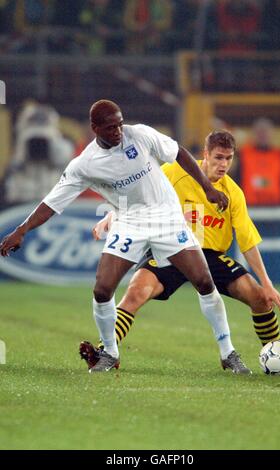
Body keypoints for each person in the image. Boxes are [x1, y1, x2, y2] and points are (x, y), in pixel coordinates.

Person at [0, 100, 249, 375]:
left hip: (166, 216)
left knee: (203, 281)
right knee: (102, 289)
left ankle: (228, 353)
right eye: (111, 127)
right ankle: (110, 352)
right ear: (95, 129)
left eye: (120, 123)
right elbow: (52, 203)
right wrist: (21, 230)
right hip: (129, 222)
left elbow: (178, 152)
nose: (119, 130)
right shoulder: (85, 164)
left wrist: (207, 189)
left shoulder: (139, 134)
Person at [81, 130, 280, 371]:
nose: (224, 164)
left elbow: (247, 241)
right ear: (206, 155)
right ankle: (105, 352)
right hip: (173, 249)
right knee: (136, 293)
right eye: (219, 157)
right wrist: (111, 214)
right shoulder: (176, 172)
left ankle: (277, 356)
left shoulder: (233, 193)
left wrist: (267, 283)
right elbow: (141, 192)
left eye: (229, 158)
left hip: (211, 256)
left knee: (260, 298)